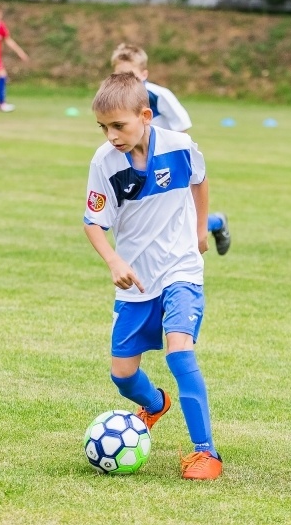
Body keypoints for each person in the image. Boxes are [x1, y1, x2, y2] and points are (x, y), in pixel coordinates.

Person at [84, 72, 222, 480]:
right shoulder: (104, 162)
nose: (111, 135)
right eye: (103, 127)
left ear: (146, 116)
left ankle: (206, 453)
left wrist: (200, 230)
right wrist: (114, 261)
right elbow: (94, 222)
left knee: (180, 352)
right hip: (137, 281)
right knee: (122, 376)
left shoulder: (180, 147)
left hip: (180, 270)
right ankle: (155, 403)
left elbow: (200, 180)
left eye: (119, 125)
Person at [111, 43, 231, 255]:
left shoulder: (158, 95)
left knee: (183, 214)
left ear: (144, 74)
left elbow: (182, 127)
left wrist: (178, 161)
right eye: (120, 74)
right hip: (140, 163)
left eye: (130, 74)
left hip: (168, 162)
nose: (125, 79)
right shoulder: (116, 99)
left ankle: (216, 222)